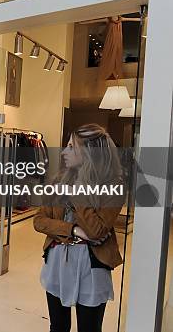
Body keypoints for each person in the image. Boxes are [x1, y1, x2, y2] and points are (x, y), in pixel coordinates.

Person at [34, 123, 124, 332]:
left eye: (71, 147)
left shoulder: (113, 187)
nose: (64, 152)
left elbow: (96, 231)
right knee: (58, 326)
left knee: (89, 328)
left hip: (91, 265)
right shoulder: (58, 181)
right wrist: (72, 229)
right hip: (57, 260)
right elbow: (39, 221)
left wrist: (80, 188)